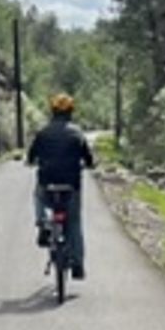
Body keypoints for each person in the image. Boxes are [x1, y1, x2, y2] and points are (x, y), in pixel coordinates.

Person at [27, 93, 94, 279]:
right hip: (71, 186)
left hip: (47, 184)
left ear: (52, 111)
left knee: (37, 195)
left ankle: (42, 225)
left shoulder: (43, 132)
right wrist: (87, 164)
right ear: (71, 111)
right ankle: (78, 265)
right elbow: (88, 159)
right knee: (74, 223)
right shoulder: (77, 132)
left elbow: (31, 157)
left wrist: (32, 162)